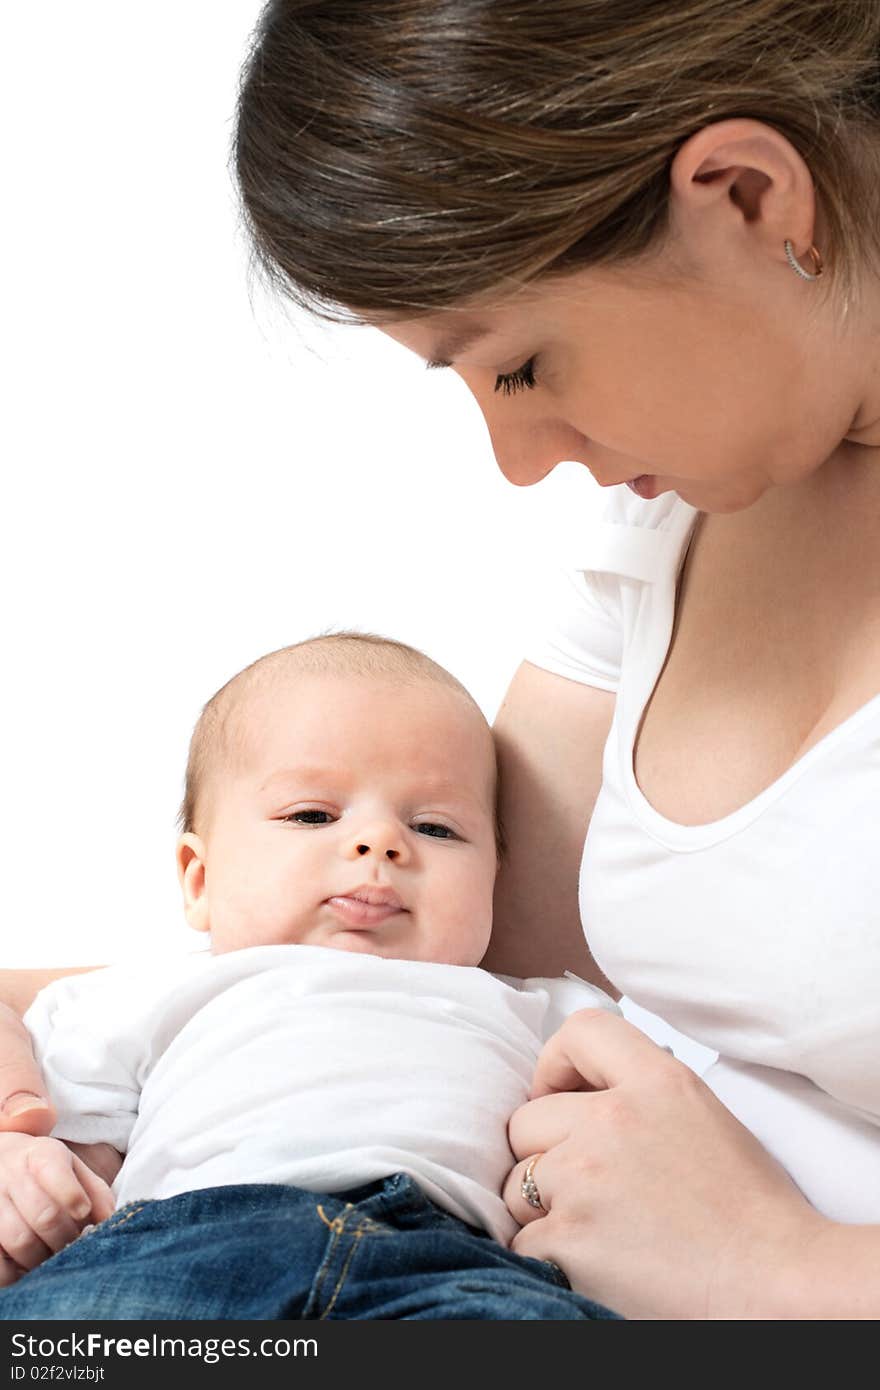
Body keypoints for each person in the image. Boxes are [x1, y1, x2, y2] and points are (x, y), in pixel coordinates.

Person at [2, 0, 879, 1319]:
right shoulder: (678, 505)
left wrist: (790, 1267)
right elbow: (389, 945)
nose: (519, 462)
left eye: (524, 363)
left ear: (750, 194)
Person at [0, 633, 618, 1320]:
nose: (380, 842)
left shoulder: (550, 1013)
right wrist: (27, 1175)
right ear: (200, 879)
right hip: (175, 1249)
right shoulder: (151, 992)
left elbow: (620, 1162)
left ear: (496, 883)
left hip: (452, 1266)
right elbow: (70, 1156)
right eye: (313, 815)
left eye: (437, 829)